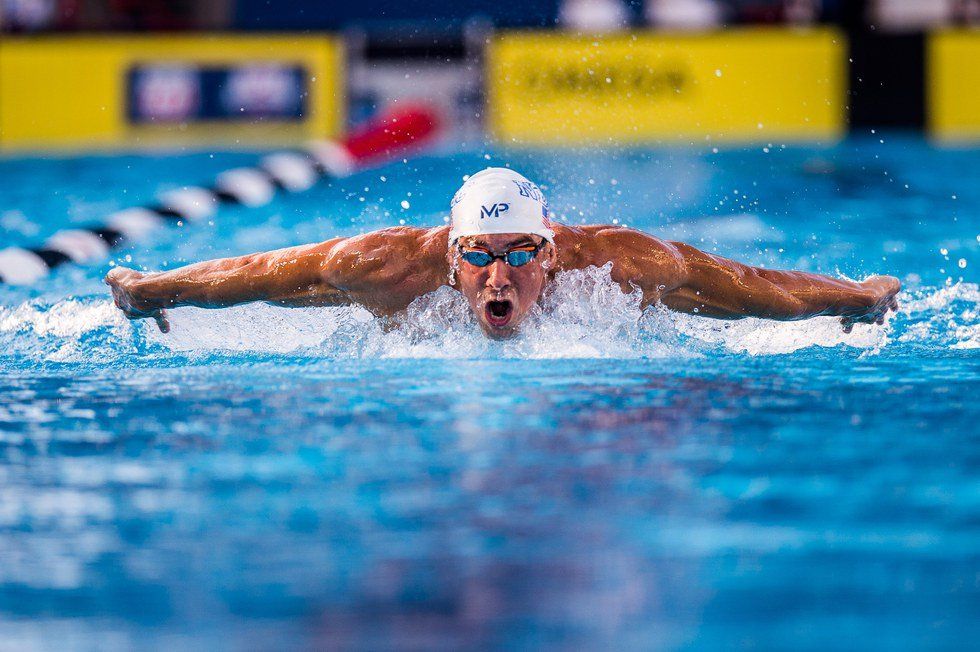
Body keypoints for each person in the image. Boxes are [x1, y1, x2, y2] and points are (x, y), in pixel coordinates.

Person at [105, 167, 900, 339]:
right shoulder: (393, 265)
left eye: (522, 253)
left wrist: (854, 297)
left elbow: (748, 285)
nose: (500, 272)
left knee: (689, 293)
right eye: (480, 256)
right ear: (452, 258)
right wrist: (154, 289)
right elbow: (259, 272)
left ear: (553, 256)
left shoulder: (615, 263)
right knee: (319, 289)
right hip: (396, 291)